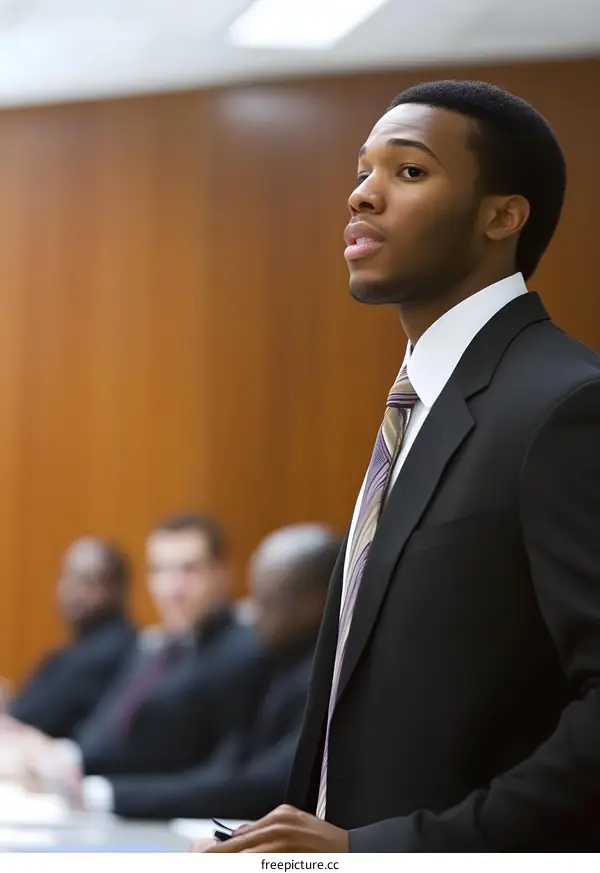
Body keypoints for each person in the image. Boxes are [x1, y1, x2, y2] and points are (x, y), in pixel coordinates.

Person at [201, 80, 600, 853]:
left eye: (408, 172)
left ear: (502, 216)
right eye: (361, 171)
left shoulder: (565, 405)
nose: (363, 197)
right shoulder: (421, 402)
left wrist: (386, 850)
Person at [71, 523, 341, 820]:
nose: (252, 610)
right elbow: (229, 767)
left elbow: (267, 786)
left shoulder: (318, 678)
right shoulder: (284, 667)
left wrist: (111, 794)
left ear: (316, 602)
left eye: (268, 601)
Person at [21, 512, 257, 798]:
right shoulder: (157, 647)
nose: (172, 588)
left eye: (189, 570)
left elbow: (219, 772)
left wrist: (103, 793)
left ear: (221, 574)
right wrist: (60, 757)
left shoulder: (242, 653)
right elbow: (105, 733)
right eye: (160, 570)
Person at [5, 537, 135, 739]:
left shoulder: (108, 651)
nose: (69, 589)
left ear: (115, 588)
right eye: (66, 576)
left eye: (84, 580)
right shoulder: (81, 646)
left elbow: (34, 716)